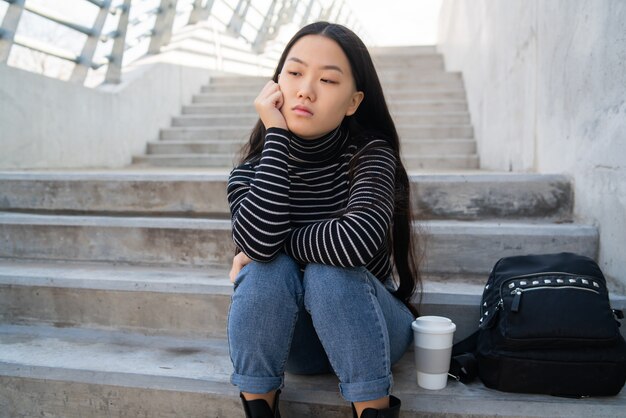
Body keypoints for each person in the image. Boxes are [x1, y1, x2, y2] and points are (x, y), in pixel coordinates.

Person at [226, 21, 422, 418]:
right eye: (294, 73)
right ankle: (259, 410)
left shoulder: (369, 156)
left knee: (327, 272)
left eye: (328, 80)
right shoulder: (251, 173)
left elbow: (356, 242)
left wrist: (277, 243)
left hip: (374, 327)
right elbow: (261, 248)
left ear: (354, 101)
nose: (305, 90)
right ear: (275, 83)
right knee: (266, 271)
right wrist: (276, 137)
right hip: (294, 343)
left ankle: (373, 410)